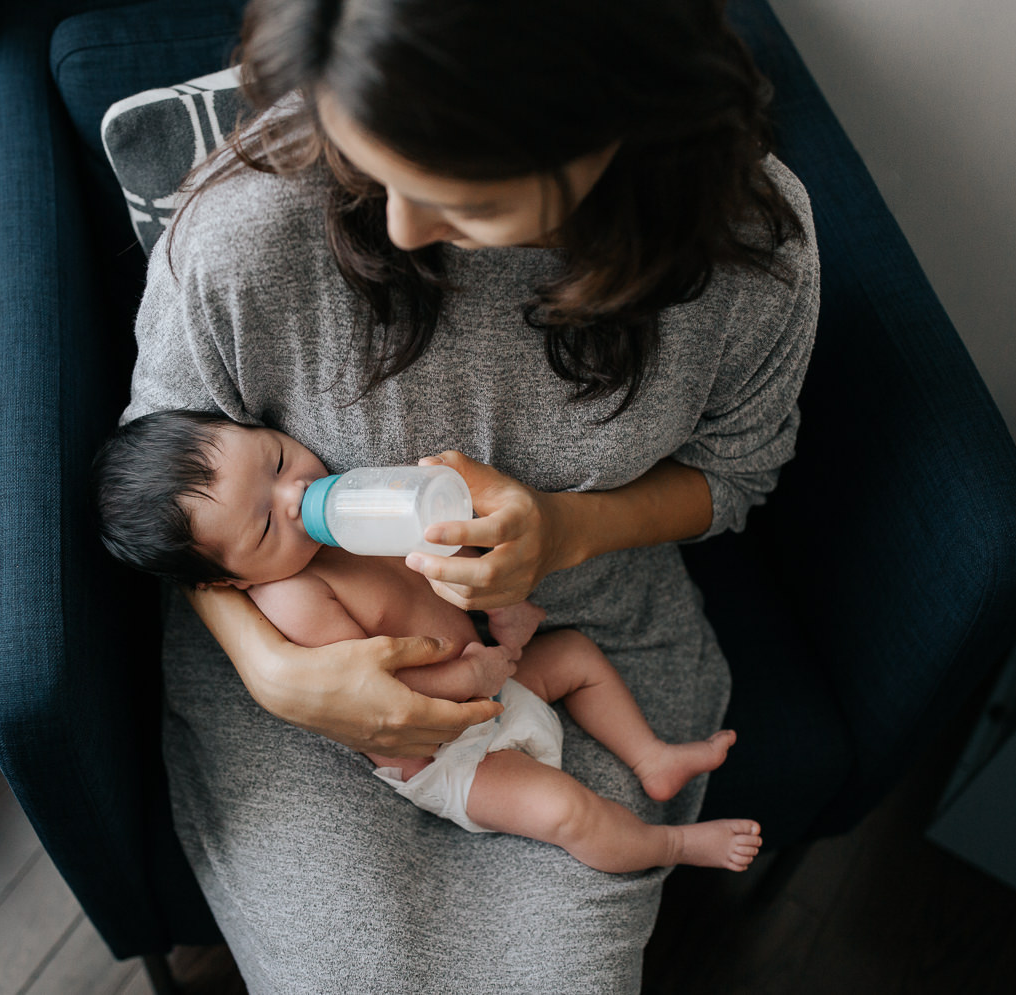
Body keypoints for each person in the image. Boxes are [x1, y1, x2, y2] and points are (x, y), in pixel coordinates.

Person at [121, 0, 819, 989]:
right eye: (371, 167)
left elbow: (738, 473)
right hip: (295, 656)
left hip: (579, 625)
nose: (400, 226)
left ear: (612, 121)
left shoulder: (744, 255)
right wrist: (273, 667)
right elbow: (167, 497)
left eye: (463, 198)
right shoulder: (250, 224)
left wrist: (566, 529)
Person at [94, 409, 765, 873]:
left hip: (490, 677)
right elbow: (386, 702)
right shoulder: (294, 597)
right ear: (230, 582)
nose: (296, 493)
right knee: (567, 811)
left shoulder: (350, 515)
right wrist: (475, 676)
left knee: (578, 659)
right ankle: (673, 842)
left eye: (274, 457)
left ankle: (652, 758)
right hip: (450, 752)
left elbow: (438, 584)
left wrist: (507, 611)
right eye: (266, 525)